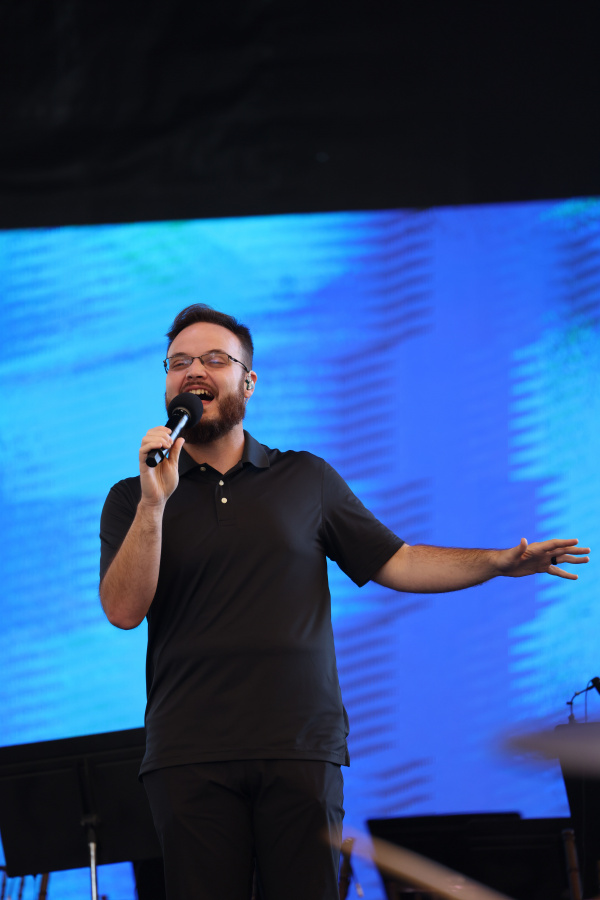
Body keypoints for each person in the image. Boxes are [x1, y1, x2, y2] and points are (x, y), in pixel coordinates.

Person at [99, 304, 590, 900]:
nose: (193, 371)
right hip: (187, 751)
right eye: (179, 362)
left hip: (300, 744)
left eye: (214, 359)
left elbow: (398, 560)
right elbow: (123, 610)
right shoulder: (133, 497)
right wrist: (155, 503)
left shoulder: (305, 478)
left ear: (248, 383)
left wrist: (498, 562)